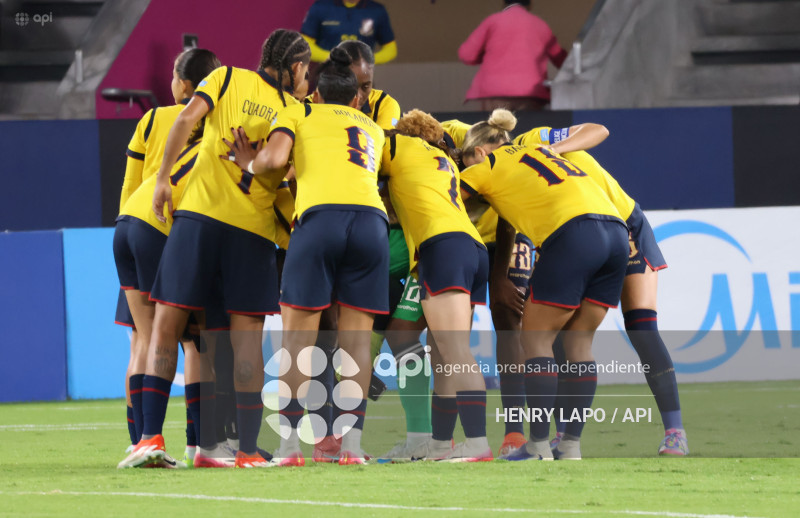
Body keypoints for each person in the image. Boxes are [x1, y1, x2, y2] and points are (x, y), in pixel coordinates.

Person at [117, 29, 311, 470]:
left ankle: (148, 439)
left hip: (198, 220)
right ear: (296, 67)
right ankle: (241, 449)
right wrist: (256, 167)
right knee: (245, 344)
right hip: (251, 231)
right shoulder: (295, 109)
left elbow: (185, 120)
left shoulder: (224, 78)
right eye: (306, 69)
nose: (306, 77)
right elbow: (285, 164)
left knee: (166, 326)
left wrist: (164, 178)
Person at [224, 47, 388, 466]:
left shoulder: (300, 112)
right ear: (355, 99)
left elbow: (277, 159)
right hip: (372, 224)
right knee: (357, 343)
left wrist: (249, 162)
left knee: (298, 342)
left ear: (314, 95)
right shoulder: (373, 128)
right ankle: (351, 448)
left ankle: (290, 447)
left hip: (320, 222)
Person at [459, 109, 629, 461]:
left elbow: (448, 198)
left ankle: (537, 445)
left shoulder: (485, 167)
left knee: (535, 340)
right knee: (579, 343)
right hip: (616, 232)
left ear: (477, 152)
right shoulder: (536, 150)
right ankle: (569, 446)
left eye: (464, 159)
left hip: (572, 233)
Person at [515, 124, 688, 456]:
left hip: (626, 224)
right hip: (580, 233)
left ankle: (675, 432)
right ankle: (564, 436)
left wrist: (557, 148)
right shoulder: (502, 176)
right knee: (564, 332)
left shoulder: (531, 140)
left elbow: (598, 130)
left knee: (642, 328)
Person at [113, 48, 220, 466]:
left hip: (131, 226)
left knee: (144, 338)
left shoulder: (150, 119)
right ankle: (197, 441)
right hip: (170, 231)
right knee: (193, 340)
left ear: (181, 83)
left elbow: (130, 183)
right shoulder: (214, 127)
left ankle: (141, 437)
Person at [303, 39, 403, 463]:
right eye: (360, 83)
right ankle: (327, 433)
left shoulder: (384, 108)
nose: (366, 93)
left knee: (342, 333)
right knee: (325, 334)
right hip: (339, 219)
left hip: (351, 218)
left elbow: (389, 163)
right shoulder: (313, 104)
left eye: (370, 83)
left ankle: (336, 435)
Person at [378, 109, 492, 462]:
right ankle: (441, 442)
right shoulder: (443, 159)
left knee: (454, 351)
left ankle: (477, 441)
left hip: (441, 246)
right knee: (443, 354)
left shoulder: (398, 145)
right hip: (471, 247)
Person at [458, 0, 567, 111]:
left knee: (496, 127)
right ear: (530, 5)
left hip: (495, 92)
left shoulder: (493, 21)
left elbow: (466, 55)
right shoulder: (540, 24)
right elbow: (561, 59)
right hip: (531, 93)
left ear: (504, 4)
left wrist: (486, 54)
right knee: (528, 127)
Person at [301, 0, 397, 64]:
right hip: (327, 76)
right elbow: (304, 46)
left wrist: (365, 60)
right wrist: (332, 58)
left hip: (361, 78)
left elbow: (391, 49)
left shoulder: (377, 10)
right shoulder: (320, 7)